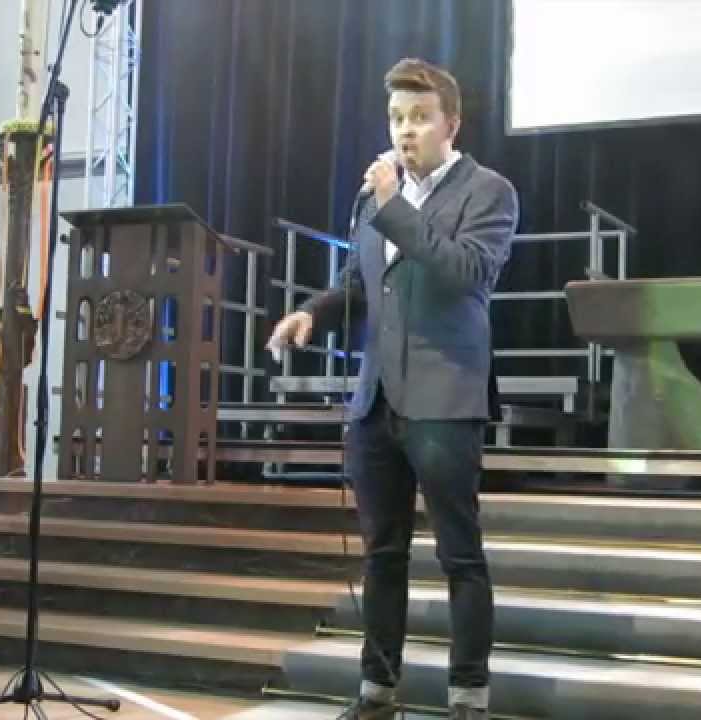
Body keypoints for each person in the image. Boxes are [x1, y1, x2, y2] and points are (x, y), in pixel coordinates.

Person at [266, 57, 519, 720]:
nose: (405, 131)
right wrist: (313, 313)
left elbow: (465, 271)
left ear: (451, 124)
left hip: (446, 399)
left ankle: (468, 700)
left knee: (460, 556)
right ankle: (377, 694)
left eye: (420, 118)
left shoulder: (488, 192)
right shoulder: (376, 199)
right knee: (382, 555)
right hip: (376, 400)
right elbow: (360, 284)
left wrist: (391, 205)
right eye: (397, 119)